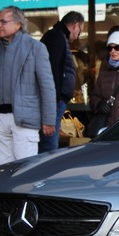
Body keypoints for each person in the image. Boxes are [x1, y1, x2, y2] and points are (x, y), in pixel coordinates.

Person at [0, 6, 56, 166]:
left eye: (3, 21)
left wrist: (49, 119)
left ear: (18, 24)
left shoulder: (36, 47)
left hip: (25, 119)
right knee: (2, 171)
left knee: (24, 170)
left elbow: (47, 85)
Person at [39, 11, 84, 152]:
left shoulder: (55, 36)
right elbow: (53, 71)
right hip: (53, 102)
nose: (77, 37)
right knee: (49, 147)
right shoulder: (58, 37)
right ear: (75, 26)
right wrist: (55, 100)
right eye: (80, 32)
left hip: (53, 100)